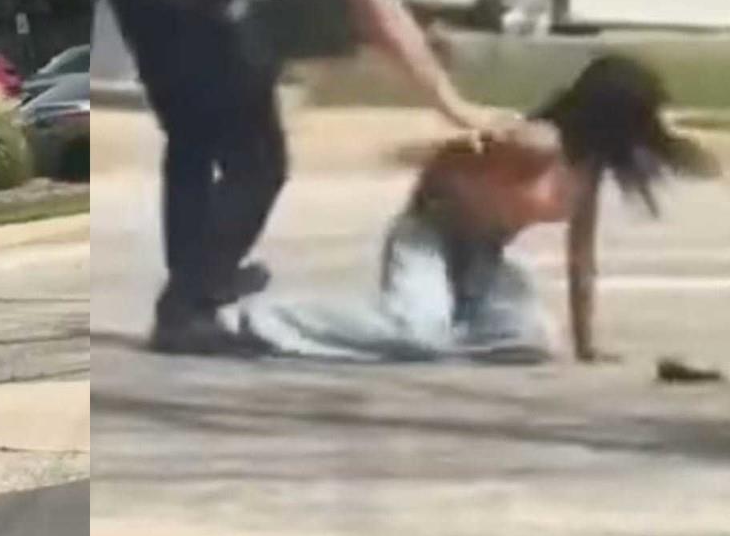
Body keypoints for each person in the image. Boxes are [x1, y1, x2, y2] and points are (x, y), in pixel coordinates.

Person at [108, 0, 518, 355]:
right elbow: (373, 7)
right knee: (259, 162)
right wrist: (451, 102)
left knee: (194, 144)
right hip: (195, 0)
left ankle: (197, 283)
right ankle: (189, 305)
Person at [240, 56, 719, 364]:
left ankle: (436, 331)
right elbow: (447, 160)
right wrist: (424, 195)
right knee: (418, 333)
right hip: (429, 238)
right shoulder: (537, 144)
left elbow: (581, 259)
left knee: (531, 339)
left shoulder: (587, 167)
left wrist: (586, 345)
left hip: (485, 255)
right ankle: (261, 318)